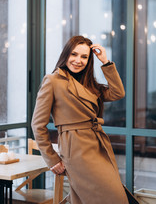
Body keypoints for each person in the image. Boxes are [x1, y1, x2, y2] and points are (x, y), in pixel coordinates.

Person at [31, 36, 137, 204]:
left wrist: (105, 62)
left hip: (97, 144)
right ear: (66, 55)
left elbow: (118, 93)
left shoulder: (90, 84)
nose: (78, 60)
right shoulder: (52, 81)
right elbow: (37, 124)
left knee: (84, 198)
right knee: (111, 197)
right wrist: (52, 158)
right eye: (74, 54)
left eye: (84, 57)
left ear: (89, 60)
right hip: (75, 148)